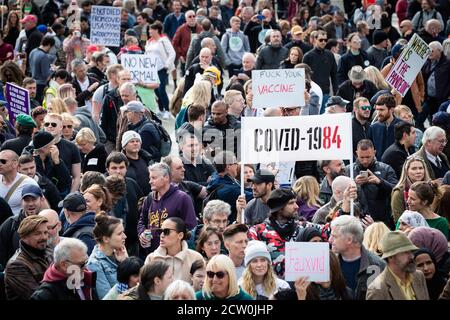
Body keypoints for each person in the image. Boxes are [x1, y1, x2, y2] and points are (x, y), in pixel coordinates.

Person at [137, 162, 197, 253]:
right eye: (150, 178)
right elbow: (142, 221)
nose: (150, 181)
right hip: (153, 254)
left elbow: (191, 227)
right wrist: (141, 233)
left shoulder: (182, 198)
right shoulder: (149, 198)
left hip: (174, 254)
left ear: (166, 178)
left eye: (154, 178)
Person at [330, 215, 386, 300]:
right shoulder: (329, 265)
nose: (330, 240)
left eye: (334, 236)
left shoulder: (377, 265)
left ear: (349, 240)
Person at [346, 139, 398, 225]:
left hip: (381, 220)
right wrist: (355, 184)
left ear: (374, 153)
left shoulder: (386, 169)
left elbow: (396, 191)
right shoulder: (348, 171)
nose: (365, 161)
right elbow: (340, 194)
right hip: (355, 220)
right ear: (356, 153)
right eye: (362, 157)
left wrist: (380, 182)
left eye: (368, 157)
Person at [366, 231, 429, 300]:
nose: (411, 256)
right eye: (405, 252)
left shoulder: (418, 276)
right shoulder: (377, 289)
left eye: (411, 251)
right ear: (390, 257)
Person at [30, 238, 97, 300]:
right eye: (81, 264)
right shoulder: (45, 295)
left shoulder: (87, 279)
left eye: (86, 262)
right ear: (64, 265)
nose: (85, 267)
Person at [4, 215, 51, 300]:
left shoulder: (49, 253)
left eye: (45, 232)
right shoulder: (16, 265)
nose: (44, 237)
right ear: (24, 236)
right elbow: (38, 297)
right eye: (37, 233)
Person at [0, 184, 46, 269]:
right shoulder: (11, 223)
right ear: (22, 202)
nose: (30, 204)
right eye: (27, 200)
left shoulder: (49, 221)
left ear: (42, 200)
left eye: (34, 199)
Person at [145, 216, 204, 283]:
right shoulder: (151, 258)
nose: (162, 235)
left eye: (166, 231)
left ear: (180, 235)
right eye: (160, 231)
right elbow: (144, 287)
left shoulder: (196, 258)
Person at [87, 215, 128, 299]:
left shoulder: (120, 254)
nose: (125, 236)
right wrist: (126, 267)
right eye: (120, 233)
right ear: (106, 239)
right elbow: (107, 297)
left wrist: (125, 262)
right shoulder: (95, 264)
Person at [206, 151, 252, 223]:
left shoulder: (218, 177)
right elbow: (253, 196)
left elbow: (245, 189)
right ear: (228, 166)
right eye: (235, 163)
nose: (237, 165)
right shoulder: (228, 190)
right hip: (229, 228)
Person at [42, 113, 82, 193]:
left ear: (60, 127)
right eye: (47, 124)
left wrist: (71, 195)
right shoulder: (36, 146)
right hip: (43, 193)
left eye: (53, 124)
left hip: (64, 191)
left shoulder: (72, 147)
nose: (50, 126)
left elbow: (76, 177)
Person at [145, 21, 176, 118]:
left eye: (151, 29)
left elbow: (172, 53)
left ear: (156, 30)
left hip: (162, 68)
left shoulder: (163, 40)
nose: (149, 31)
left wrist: (167, 64)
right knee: (155, 91)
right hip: (151, 69)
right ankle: (160, 109)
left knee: (161, 89)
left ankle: (167, 110)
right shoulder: (149, 42)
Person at [302, 30, 338, 113]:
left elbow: (334, 75)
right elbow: (303, 77)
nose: (323, 42)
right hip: (312, 93)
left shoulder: (330, 55)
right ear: (315, 40)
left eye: (325, 40)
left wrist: (336, 93)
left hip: (325, 92)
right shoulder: (308, 56)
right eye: (321, 40)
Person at [391, 156, 431, 222]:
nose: (418, 171)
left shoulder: (431, 188)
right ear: (407, 171)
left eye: (421, 168)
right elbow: (398, 219)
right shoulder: (399, 192)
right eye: (414, 169)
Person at [32, 130, 72, 195]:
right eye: (52, 144)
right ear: (43, 148)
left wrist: (57, 161)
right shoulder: (32, 162)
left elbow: (66, 180)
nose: (55, 146)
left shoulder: (50, 159)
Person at [0, 149, 39, 215]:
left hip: (19, 223)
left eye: (3, 161)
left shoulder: (29, 183)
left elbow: (42, 206)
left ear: (15, 163)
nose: (0, 164)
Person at [368, 94, 403, 161]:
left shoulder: (403, 126)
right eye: (377, 110)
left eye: (381, 110)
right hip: (379, 166)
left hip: (398, 165)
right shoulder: (373, 127)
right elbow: (371, 148)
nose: (378, 113)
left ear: (392, 109)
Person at [28, 36, 56, 103]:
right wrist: (53, 69)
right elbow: (46, 75)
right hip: (40, 85)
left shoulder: (33, 51)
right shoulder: (44, 56)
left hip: (32, 81)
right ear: (49, 45)